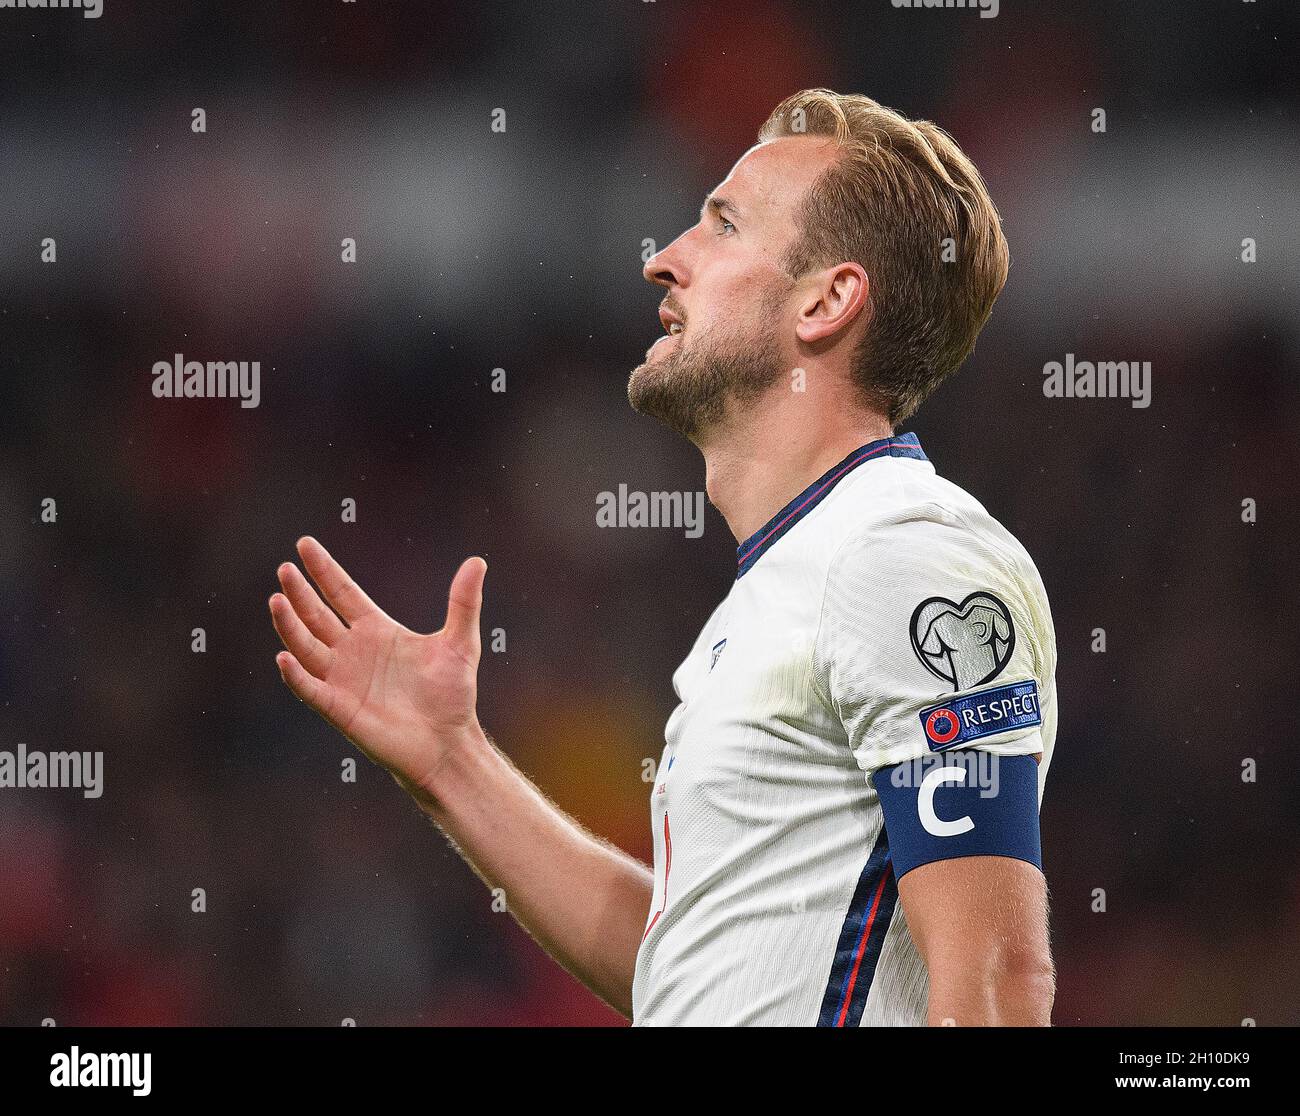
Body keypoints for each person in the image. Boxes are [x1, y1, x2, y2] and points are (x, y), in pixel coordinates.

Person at [268, 88, 1058, 1027]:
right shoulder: (793, 580)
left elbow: (999, 983)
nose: (663, 260)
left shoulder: (907, 559)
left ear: (827, 300)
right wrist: (452, 762)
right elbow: (691, 975)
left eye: (722, 225)